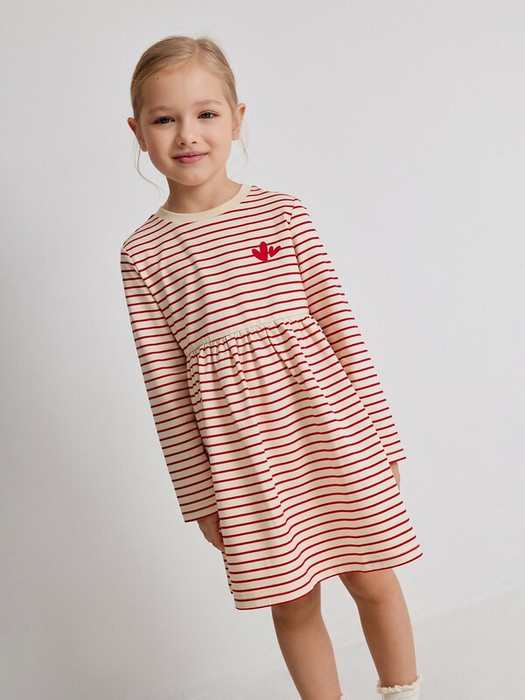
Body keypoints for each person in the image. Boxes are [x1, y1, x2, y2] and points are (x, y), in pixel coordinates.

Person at [120, 34, 424, 700]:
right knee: (291, 602)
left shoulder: (283, 214)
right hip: (247, 460)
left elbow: (341, 329)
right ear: (138, 132)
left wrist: (382, 436)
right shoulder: (143, 253)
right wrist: (200, 498)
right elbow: (165, 390)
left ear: (236, 119)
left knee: (373, 576)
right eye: (164, 118)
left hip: (335, 432)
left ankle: (402, 691)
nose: (187, 134)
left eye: (206, 113)